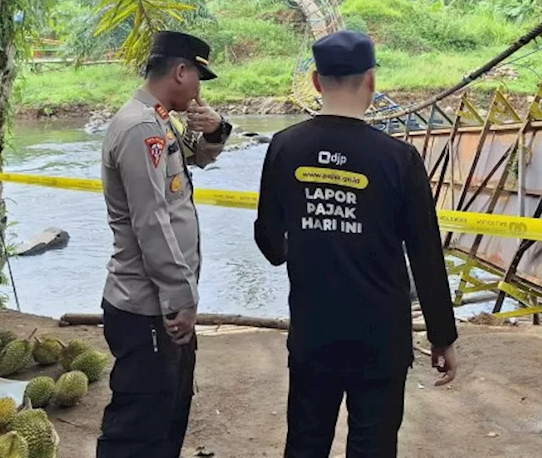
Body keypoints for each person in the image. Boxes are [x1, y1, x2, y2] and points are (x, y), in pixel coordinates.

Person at [255, 30, 459, 457]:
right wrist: (442, 335)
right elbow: (425, 254)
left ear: (315, 81)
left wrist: (304, 249)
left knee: (307, 441)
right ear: (371, 81)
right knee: (374, 444)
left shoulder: (285, 146)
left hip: (313, 329)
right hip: (380, 335)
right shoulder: (398, 158)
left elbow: (269, 238)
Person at [97, 31, 233, 458]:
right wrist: (181, 297)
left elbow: (195, 158)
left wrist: (217, 129)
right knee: (138, 426)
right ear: (180, 71)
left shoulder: (158, 119)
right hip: (148, 305)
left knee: (168, 413)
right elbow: (152, 221)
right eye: (198, 79)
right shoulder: (141, 127)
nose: (198, 91)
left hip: (160, 304)